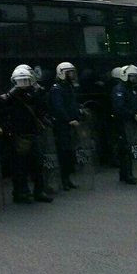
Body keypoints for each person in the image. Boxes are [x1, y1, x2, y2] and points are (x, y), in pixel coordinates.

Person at [0, 65, 52, 202]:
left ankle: (39, 191)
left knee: (37, 164)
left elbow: (41, 109)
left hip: (32, 132)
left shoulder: (32, 94)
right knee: (19, 166)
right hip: (18, 134)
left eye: (26, 81)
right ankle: (21, 192)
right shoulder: (9, 97)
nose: (24, 84)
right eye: (21, 81)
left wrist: (38, 92)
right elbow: (2, 113)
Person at [48, 62, 83, 190]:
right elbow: (59, 108)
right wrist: (69, 120)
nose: (72, 75)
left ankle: (67, 178)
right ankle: (64, 179)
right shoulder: (57, 89)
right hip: (62, 125)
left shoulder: (68, 87)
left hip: (71, 123)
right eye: (69, 72)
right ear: (62, 73)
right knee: (63, 152)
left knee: (69, 152)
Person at [111, 65, 137, 184]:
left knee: (128, 147)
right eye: (133, 77)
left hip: (130, 122)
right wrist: (132, 115)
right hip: (123, 123)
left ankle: (127, 173)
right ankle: (126, 175)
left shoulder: (131, 89)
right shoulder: (119, 89)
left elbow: (134, 105)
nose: (135, 79)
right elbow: (119, 108)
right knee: (125, 148)